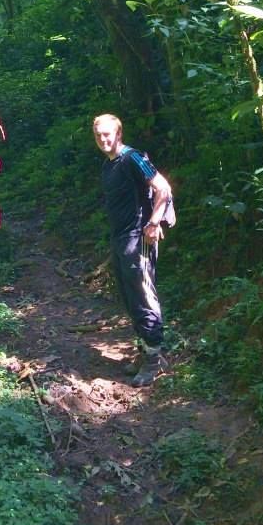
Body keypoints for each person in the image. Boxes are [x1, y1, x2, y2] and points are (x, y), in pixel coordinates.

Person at [93, 113, 172, 386]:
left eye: (108, 134)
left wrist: (153, 224)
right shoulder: (109, 165)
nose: (104, 139)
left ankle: (154, 358)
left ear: (119, 134)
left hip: (138, 239)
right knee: (129, 298)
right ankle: (146, 351)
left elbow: (163, 188)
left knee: (143, 297)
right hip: (120, 240)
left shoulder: (132, 158)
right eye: (99, 135)